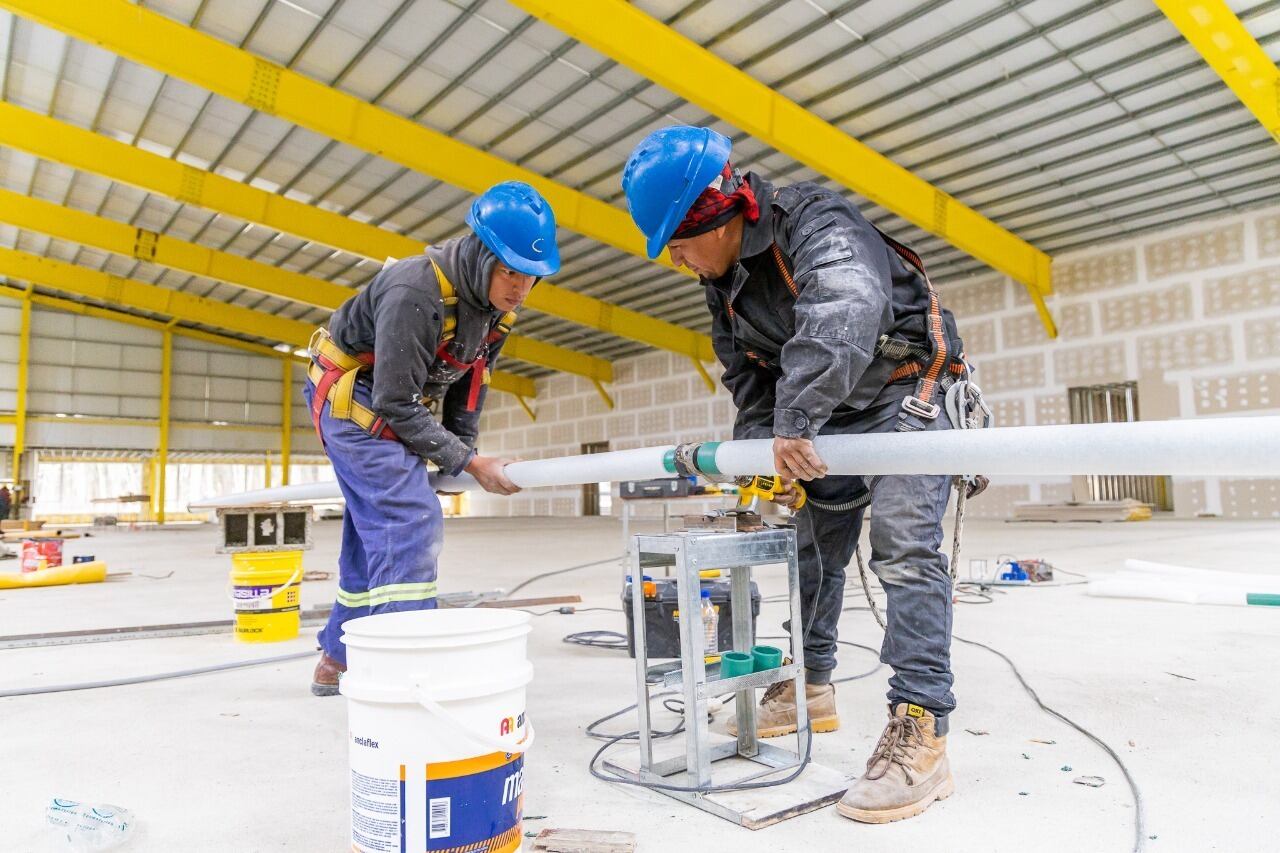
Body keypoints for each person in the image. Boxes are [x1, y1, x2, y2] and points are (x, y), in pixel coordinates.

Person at [622, 126, 974, 823]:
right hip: (831, 412)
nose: (679, 261)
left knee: (903, 548)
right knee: (813, 550)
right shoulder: (720, 284)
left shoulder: (816, 222)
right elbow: (747, 376)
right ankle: (811, 685)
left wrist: (796, 418)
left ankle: (921, 728)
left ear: (713, 218)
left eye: (680, 243)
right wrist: (765, 457)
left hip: (909, 389)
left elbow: (844, 308)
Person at [305, 181, 560, 697]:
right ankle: (407, 672)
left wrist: (460, 452)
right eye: (510, 271)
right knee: (410, 519)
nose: (519, 290)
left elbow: (471, 380)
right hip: (354, 400)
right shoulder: (414, 290)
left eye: (531, 277)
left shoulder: (497, 308)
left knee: (376, 528)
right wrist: (469, 463)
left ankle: (339, 657)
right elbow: (396, 404)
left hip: (392, 401)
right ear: (480, 255)